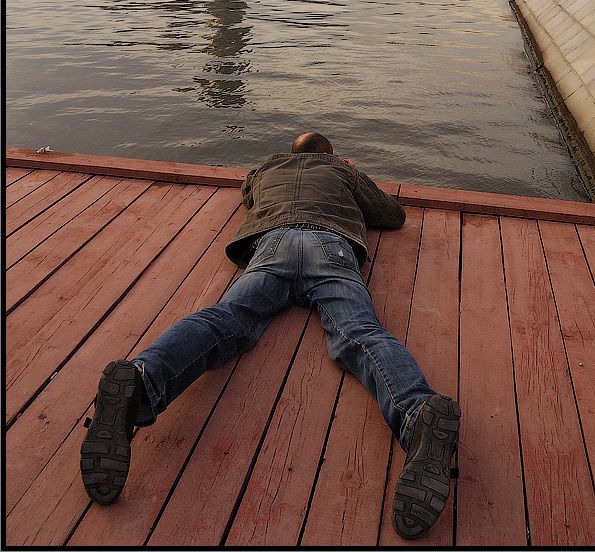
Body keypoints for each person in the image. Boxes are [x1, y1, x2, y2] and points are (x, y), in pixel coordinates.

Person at [80, 132, 460, 539]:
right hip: (330, 246)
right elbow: (392, 214)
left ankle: (141, 381)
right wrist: (351, 172)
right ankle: (417, 413)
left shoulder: (265, 169)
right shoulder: (340, 171)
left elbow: (249, 198)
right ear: (331, 156)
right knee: (359, 332)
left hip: (273, 244)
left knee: (225, 319)